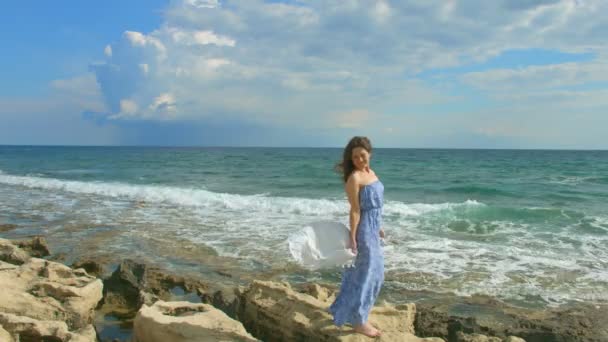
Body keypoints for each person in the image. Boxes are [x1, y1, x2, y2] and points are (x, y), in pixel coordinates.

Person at [329, 136, 385, 338]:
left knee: (373, 274)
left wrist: (379, 228)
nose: (360, 160)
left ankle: (343, 309)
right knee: (367, 275)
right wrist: (353, 237)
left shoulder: (371, 173)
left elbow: (375, 208)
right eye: (355, 157)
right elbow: (355, 210)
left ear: (369, 153)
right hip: (363, 233)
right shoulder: (355, 178)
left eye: (363, 155)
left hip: (373, 229)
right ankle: (359, 321)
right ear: (351, 160)